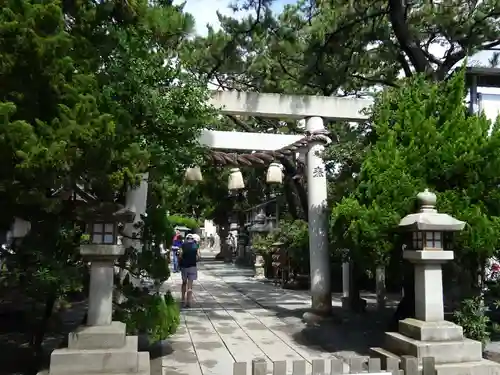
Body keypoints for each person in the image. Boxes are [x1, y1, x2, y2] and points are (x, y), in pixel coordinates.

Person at [179, 233, 200, 308]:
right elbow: (198, 257)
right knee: (190, 285)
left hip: (184, 267)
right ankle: (189, 302)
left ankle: (182, 299)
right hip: (193, 266)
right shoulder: (195, 245)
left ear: (186, 238)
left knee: (184, 282)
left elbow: (180, 255)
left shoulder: (183, 244)